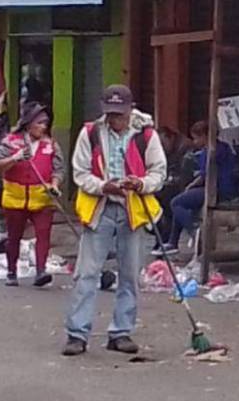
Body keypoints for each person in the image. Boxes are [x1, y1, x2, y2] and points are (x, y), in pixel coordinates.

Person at [62, 85, 166, 357]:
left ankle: (121, 332)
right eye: (111, 114)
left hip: (133, 209)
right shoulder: (91, 133)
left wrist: (140, 183)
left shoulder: (146, 135)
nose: (115, 120)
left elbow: (159, 172)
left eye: (120, 114)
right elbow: (80, 173)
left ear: (131, 109)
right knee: (87, 273)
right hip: (100, 208)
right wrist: (103, 187)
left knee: (130, 274)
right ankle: (77, 334)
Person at [0, 102, 65, 288]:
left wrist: (55, 185)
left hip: (41, 199)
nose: (44, 127)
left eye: (45, 123)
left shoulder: (51, 145)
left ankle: (41, 271)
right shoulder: (11, 142)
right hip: (15, 199)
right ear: (29, 123)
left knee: (43, 234)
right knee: (13, 237)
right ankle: (11, 271)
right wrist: (14, 159)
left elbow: (58, 170)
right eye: (40, 122)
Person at [159, 121, 236, 254]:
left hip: (217, 190)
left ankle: (194, 230)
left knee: (176, 203)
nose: (194, 142)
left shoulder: (212, 151)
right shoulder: (223, 147)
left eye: (196, 138)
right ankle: (173, 241)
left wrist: (191, 185)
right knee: (181, 199)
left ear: (206, 136)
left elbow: (205, 175)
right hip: (218, 187)